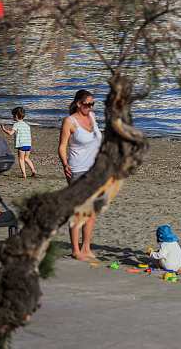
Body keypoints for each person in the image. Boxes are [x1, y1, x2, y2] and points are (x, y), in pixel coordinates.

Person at [58, 89, 102, 260]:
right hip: (77, 170)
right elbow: (62, 146)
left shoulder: (92, 117)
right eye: (87, 104)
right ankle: (76, 250)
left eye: (92, 104)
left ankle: (86, 248)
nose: (90, 107)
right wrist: (65, 164)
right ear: (78, 104)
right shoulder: (69, 121)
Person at [1, 106, 36, 179]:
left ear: (16, 116)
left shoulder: (16, 124)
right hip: (28, 144)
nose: (13, 117)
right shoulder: (27, 125)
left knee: (21, 159)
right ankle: (33, 170)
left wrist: (4, 129)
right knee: (27, 158)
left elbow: (10, 133)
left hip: (22, 145)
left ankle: (24, 174)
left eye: (13, 115)